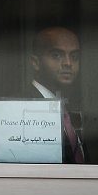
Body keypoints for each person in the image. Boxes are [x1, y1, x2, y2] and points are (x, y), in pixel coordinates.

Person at [27, 27, 86, 163]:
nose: (68, 63)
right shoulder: (22, 106)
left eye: (74, 56)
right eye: (56, 55)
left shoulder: (67, 106)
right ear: (36, 62)